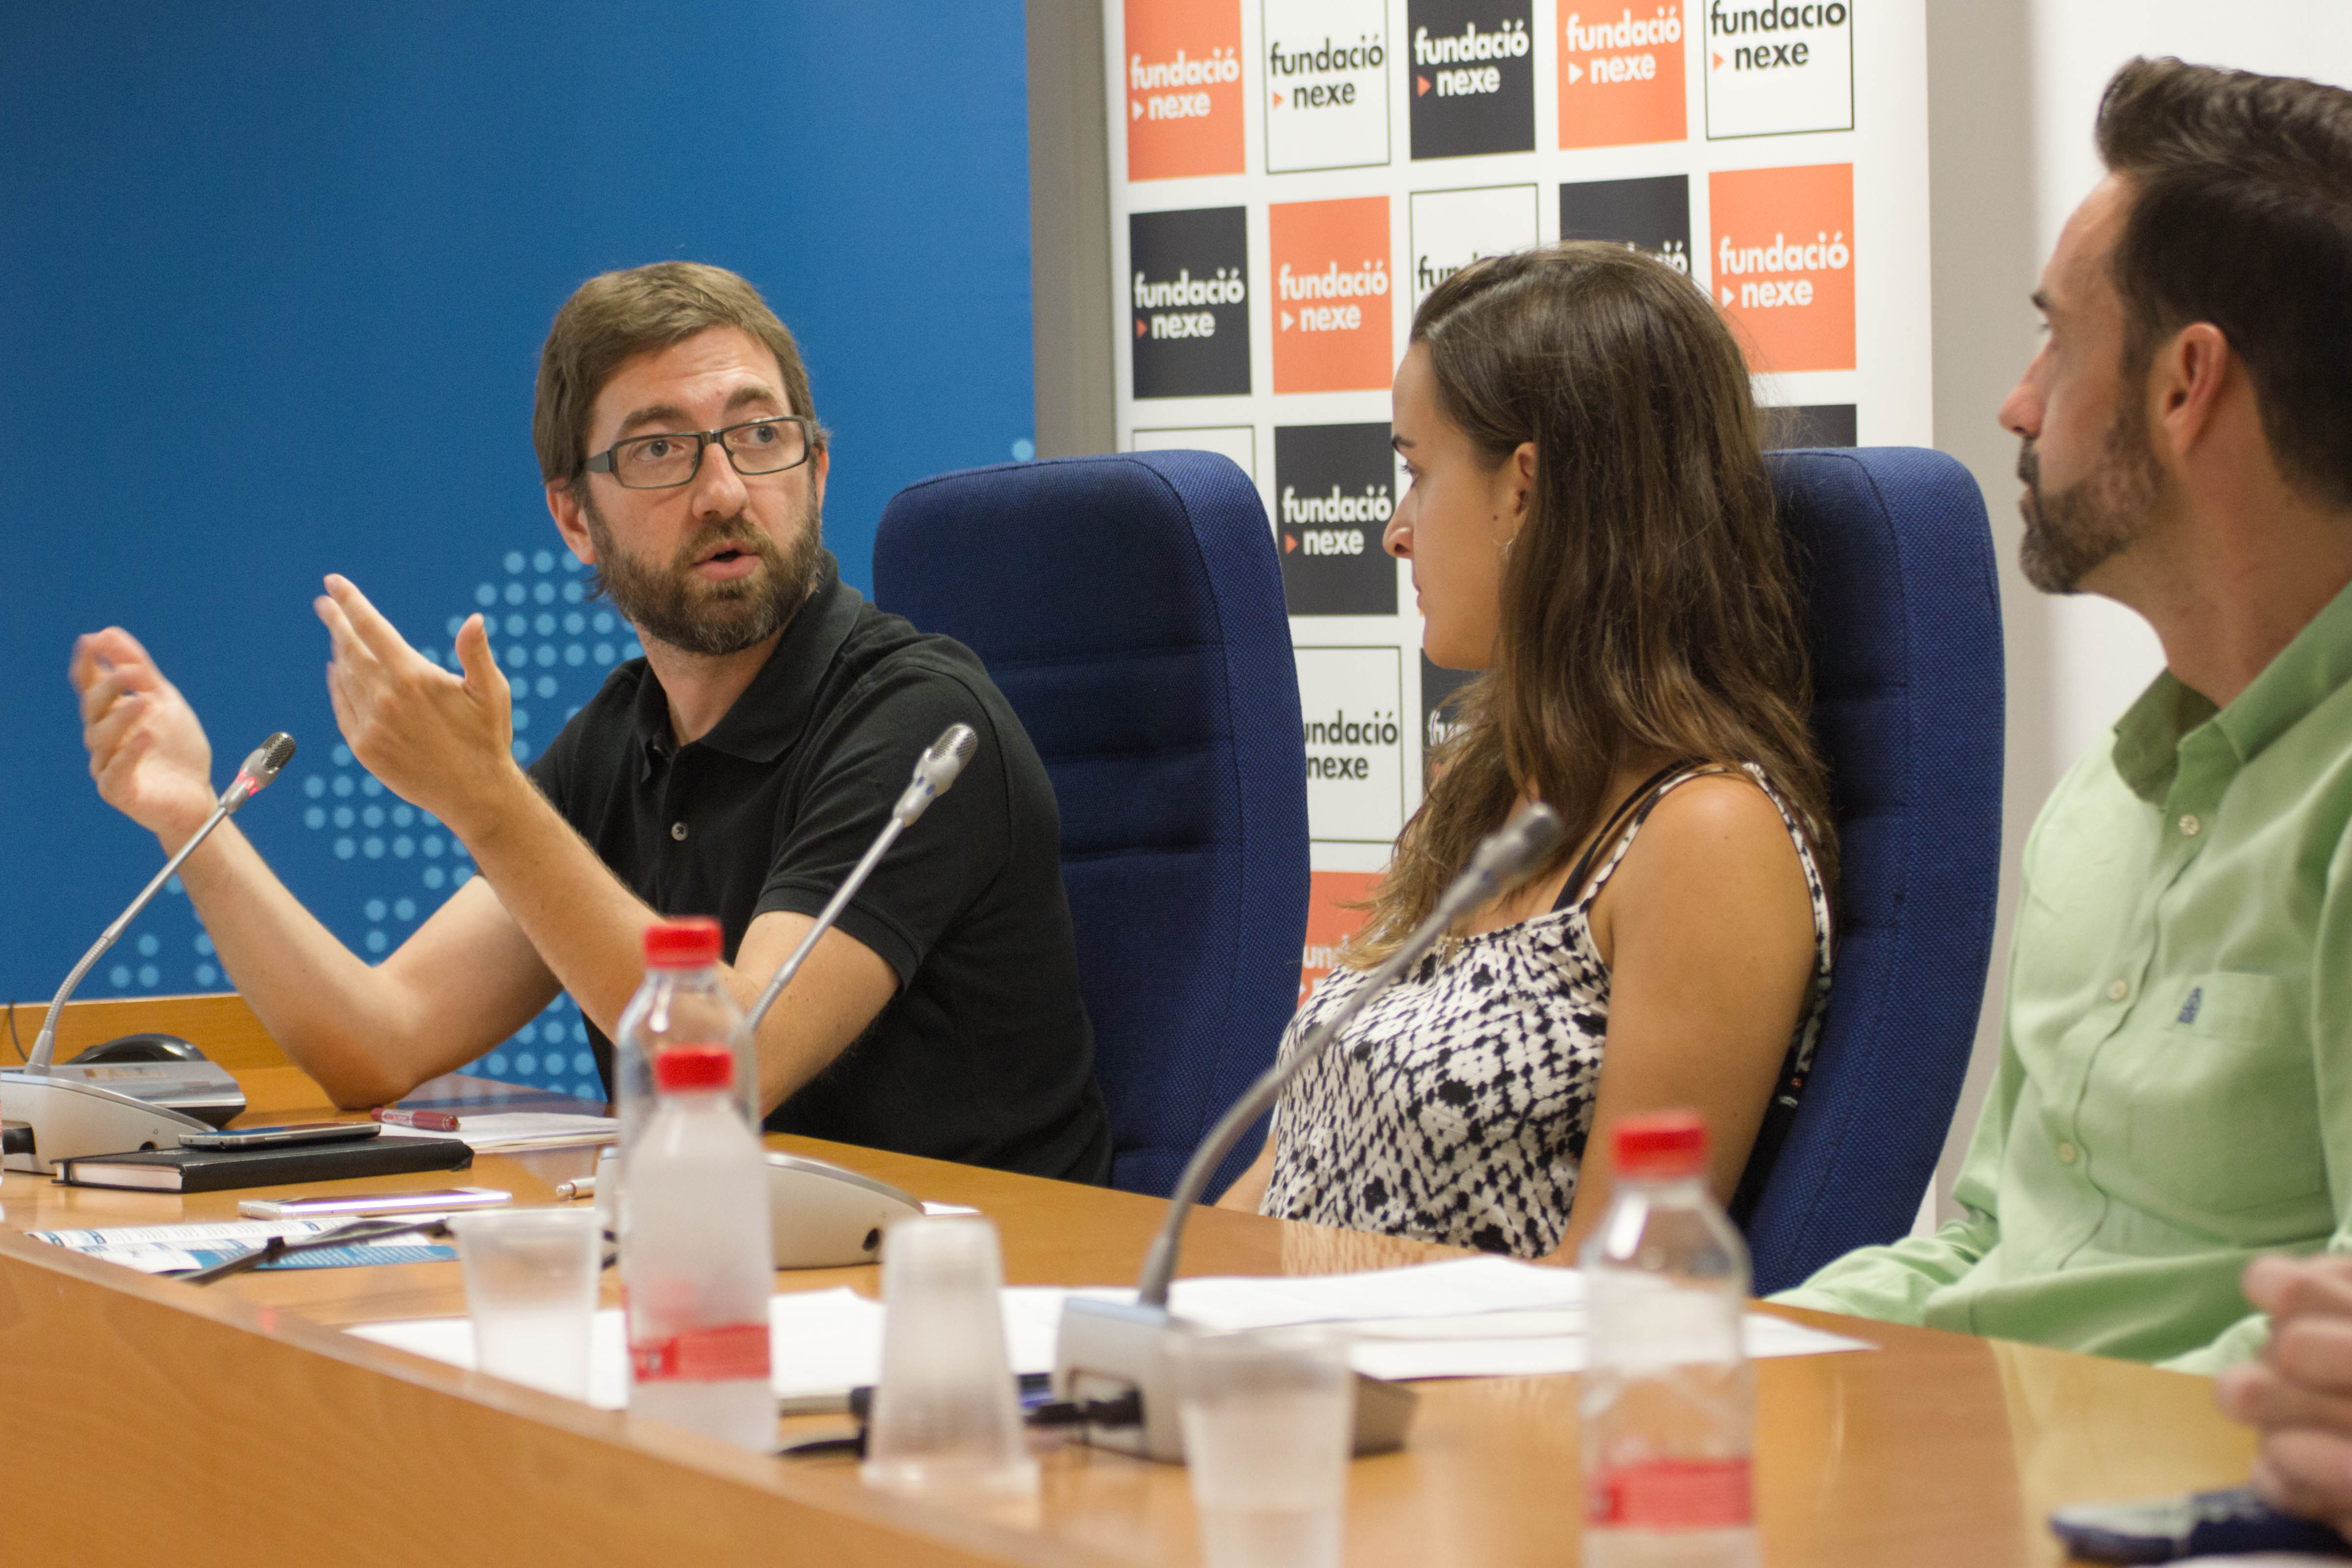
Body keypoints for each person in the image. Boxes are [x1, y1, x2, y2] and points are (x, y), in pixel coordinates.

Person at [71, 261, 1113, 1182]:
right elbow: (378, 1043)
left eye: (760, 436)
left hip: (975, 1292)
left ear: (817, 469)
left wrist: (487, 800)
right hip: (729, 1273)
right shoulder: (621, 738)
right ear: (575, 517)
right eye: (660, 450)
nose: (723, 490)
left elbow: (730, 1064)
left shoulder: (922, 724)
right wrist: (190, 817)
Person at [1772, 58, 2352, 1371]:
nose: (2018, 402)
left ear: (2184, 384)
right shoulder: (2104, 795)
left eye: (2059, 341)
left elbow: (2323, 1377)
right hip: (1990, 1446)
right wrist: (1734, 1351)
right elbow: (1990, 1246)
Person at [1217, 243, 1837, 1261]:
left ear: (1523, 491)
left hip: (1446, 1369)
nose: (1395, 530)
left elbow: (1617, 1282)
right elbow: (1283, 1174)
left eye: (1416, 473)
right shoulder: (1487, 789)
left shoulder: (1709, 839)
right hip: (1279, 1345)